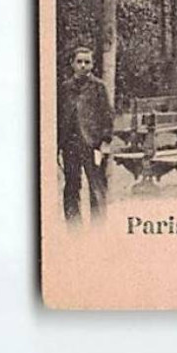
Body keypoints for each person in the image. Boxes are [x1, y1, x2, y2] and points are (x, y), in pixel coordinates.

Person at [58, 45, 114, 222]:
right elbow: (60, 115)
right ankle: (75, 232)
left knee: (96, 187)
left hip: (93, 144)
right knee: (71, 187)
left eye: (87, 62)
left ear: (92, 65)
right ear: (72, 64)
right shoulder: (65, 88)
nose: (83, 65)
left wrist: (105, 142)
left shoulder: (99, 87)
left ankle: (98, 232)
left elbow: (107, 115)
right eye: (79, 62)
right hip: (70, 144)